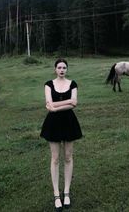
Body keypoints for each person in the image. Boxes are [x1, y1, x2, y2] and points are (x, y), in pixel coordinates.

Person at [40, 58, 83, 211]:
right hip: (53, 125)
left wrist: (56, 108)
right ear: (55, 69)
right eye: (59, 67)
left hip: (69, 123)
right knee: (55, 158)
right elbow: (49, 103)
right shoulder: (48, 84)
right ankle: (56, 194)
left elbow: (74, 103)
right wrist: (67, 102)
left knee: (68, 157)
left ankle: (66, 192)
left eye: (64, 67)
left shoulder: (73, 84)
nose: (62, 70)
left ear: (67, 69)